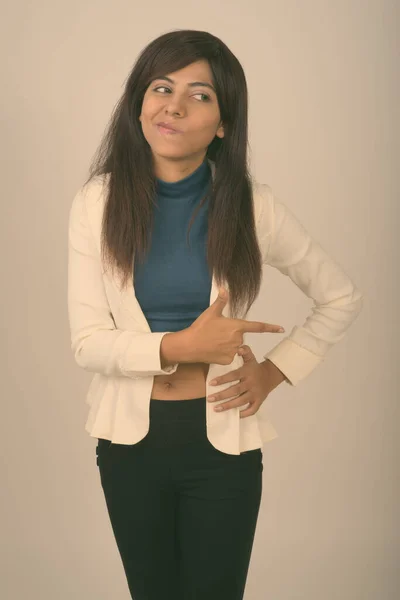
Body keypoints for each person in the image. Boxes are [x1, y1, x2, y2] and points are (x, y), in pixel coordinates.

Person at [67, 29, 364, 600]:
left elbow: (340, 296)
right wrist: (180, 347)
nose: (173, 105)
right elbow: (87, 343)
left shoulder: (253, 205)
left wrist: (274, 372)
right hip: (130, 446)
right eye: (161, 87)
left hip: (221, 446)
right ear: (139, 103)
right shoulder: (97, 203)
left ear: (224, 122)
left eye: (200, 94)